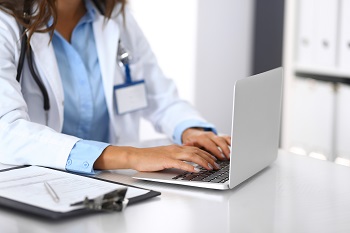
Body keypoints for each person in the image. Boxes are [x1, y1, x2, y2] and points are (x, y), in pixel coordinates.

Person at [0, 0, 231, 175]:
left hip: (111, 185)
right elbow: (7, 131)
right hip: (37, 184)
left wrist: (192, 131)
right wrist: (130, 156)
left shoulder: (115, 17)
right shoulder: (6, 24)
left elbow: (160, 96)